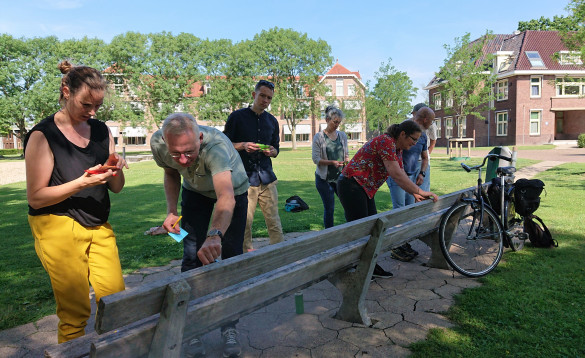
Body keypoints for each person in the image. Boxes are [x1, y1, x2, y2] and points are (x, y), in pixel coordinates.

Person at [23, 60, 128, 343]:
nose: (92, 112)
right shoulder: (43, 135)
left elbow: (116, 187)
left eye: (97, 106)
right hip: (56, 224)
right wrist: (82, 182)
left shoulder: (101, 130)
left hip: (98, 223)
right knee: (75, 311)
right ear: (66, 91)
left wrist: (114, 168)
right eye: (86, 105)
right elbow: (36, 196)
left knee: (117, 303)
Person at [150, 113, 249, 358]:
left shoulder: (215, 146)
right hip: (194, 192)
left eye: (189, 152)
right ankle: (191, 327)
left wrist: (215, 235)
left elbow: (226, 197)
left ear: (200, 138)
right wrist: (171, 212)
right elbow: (172, 172)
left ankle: (229, 326)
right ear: (165, 141)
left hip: (233, 191)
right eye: (176, 153)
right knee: (192, 255)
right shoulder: (158, 144)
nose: (182, 160)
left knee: (230, 256)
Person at [337, 120, 438, 279]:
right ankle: (357, 270)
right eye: (413, 139)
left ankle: (368, 267)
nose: (414, 144)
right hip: (351, 185)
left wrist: (414, 193)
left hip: (364, 188)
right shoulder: (386, 142)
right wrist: (419, 190)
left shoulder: (397, 149)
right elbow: (395, 174)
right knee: (360, 230)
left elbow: (401, 174)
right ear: (403, 134)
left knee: (372, 229)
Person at [224, 79, 284, 252]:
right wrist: (242, 146)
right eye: (262, 96)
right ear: (254, 95)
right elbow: (225, 144)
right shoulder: (237, 117)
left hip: (267, 178)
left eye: (269, 98)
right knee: (245, 224)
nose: (265, 100)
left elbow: (276, 148)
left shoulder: (272, 121)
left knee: (274, 221)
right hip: (245, 179)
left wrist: (272, 151)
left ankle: (280, 255)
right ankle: (246, 258)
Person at [387, 107, 436, 262]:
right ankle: (395, 247)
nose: (414, 142)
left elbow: (425, 157)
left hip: (412, 177)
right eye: (432, 120)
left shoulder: (422, 137)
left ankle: (404, 243)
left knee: (408, 212)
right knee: (399, 210)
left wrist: (421, 173)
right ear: (426, 119)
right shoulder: (405, 129)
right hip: (398, 177)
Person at [311, 105, 349, 228]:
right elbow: (315, 159)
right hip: (324, 180)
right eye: (335, 122)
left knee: (348, 205)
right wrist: (332, 162)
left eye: (339, 122)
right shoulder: (319, 137)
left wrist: (347, 161)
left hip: (340, 178)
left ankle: (352, 231)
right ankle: (329, 235)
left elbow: (346, 154)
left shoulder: (342, 136)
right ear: (327, 120)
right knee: (329, 208)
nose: (337, 125)